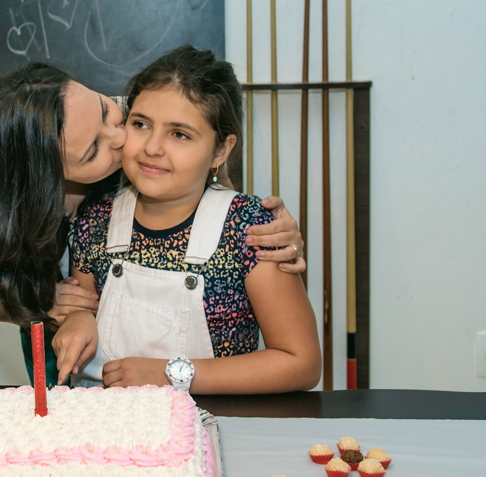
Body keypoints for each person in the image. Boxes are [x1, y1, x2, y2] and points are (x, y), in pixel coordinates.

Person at [0, 60, 307, 387]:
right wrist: (48, 307)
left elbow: (215, 204)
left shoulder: (160, 145)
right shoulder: (78, 218)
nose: (123, 140)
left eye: (109, 112)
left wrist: (260, 230)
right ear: (45, 179)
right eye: (93, 149)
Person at [49, 46, 321, 393]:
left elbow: (301, 362)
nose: (152, 147)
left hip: (211, 428)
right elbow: (82, 303)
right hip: (110, 434)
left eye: (180, 134)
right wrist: (77, 320)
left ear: (220, 150)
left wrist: (173, 375)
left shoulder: (249, 228)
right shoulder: (97, 217)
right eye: (141, 124)